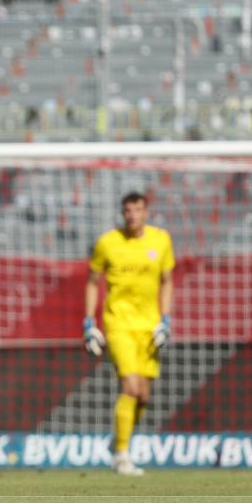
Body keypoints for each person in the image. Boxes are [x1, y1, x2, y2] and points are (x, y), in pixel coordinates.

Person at [84, 192, 174, 476]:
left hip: (149, 327)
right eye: (128, 210)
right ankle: (122, 455)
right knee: (131, 387)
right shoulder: (108, 242)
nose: (133, 215)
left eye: (137, 209)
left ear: (146, 212)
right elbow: (92, 282)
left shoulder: (161, 240)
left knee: (143, 396)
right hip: (118, 323)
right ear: (122, 213)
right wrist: (89, 323)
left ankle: (120, 440)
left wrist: (165, 320)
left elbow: (167, 281)